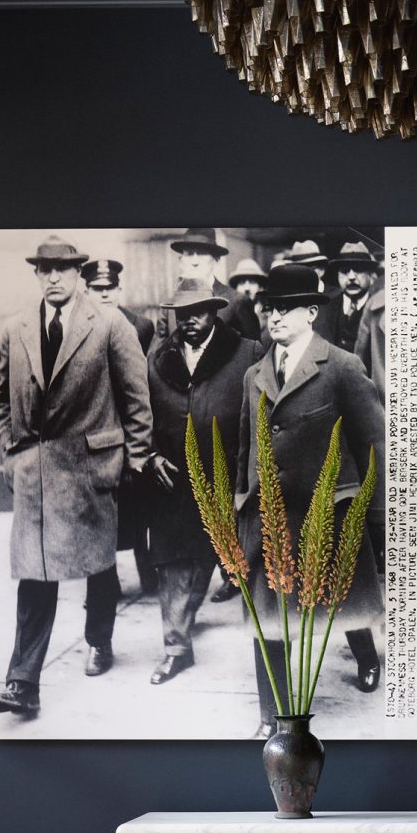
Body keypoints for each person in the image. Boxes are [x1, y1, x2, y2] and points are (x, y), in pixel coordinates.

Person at [0, 235, 152, 717]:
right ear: (36, 275)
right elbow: (0, 398)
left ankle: (99, 639)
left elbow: (136, 398)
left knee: (97, 565)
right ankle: (23, 681)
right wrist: (12, 450)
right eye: (44, 269)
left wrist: (135, 457)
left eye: (63, 269)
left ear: (78, 274)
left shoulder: (109, 324)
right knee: (35, 575)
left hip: (91, 467)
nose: (53, 277)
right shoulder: (16, 327)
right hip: (35, 470)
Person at [235, 264, 386, 737]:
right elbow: (245, 448)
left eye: (285, 308)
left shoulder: (341, 366)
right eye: (268, 308)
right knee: (270, 618)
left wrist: (373, 513)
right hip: (271, 517)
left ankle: (366, 655)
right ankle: (272, 718)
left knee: (346, 604)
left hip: (331, 515)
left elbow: (373, 442)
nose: (273, 317)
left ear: (312, 312)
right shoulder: (254, 374)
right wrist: (243, 505)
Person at [143, 282, 264, 684]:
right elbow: (140, 414)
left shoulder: (247, 353)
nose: (189, 319)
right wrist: (150, 455)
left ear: (215, 311)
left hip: (230, 479)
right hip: (173, 480)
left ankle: (279, 662)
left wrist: (251, 477)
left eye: (198, 310)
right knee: (173, 563)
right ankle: (176, 649)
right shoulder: (159, 359)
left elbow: (264, 417)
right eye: (182, 312)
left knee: (244, 565)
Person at [81, 257, 157, 593]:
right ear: (86, 290)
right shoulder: (75, 323)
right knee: (95, 516)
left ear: (119, 288)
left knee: (137, 507)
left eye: (110, 287)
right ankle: (102, 585)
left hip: (126, 422)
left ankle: (148, 575)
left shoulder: (139, 326)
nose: (104, 293)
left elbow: (138, 383)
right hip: (90, 427)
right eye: (97, 288)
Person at [154, 228, 238, 341]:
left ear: (216, 259)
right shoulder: (170, 305)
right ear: (181, 261)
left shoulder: (236, 300)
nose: (194, 262)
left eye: (202, 253)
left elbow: (251, 352)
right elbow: (156, 354)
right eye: (189, 254)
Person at [325, 240, 382, 355]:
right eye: (345, 271)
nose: (351, 277)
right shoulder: (325, 307)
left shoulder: (379, 310)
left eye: (358, 269)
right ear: (338, 276)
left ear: (370, 275)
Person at [219, 256, 270, 350]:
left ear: (261, 288)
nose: (247, 288)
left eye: (252, 282)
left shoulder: (270, 316)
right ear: (236, 289)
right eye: (242, 283)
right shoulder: (229, 319)